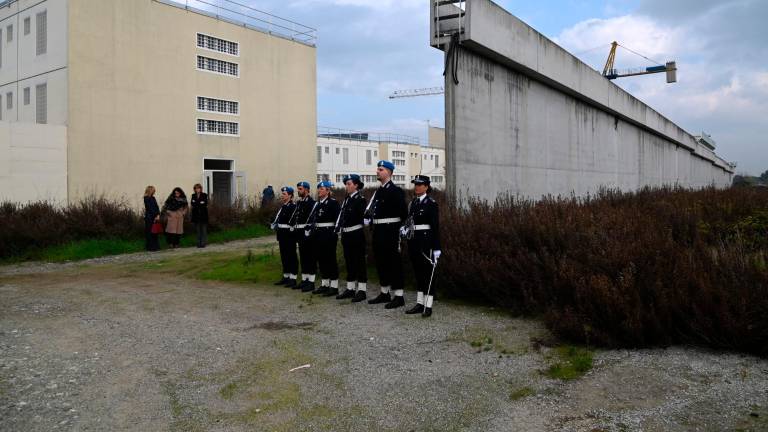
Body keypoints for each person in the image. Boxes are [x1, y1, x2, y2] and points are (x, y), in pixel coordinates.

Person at [365, 160, 408, 309]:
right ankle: (384, 293)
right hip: (378, 231)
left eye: (381, 169)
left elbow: (403, 213)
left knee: (394, 263)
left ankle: (399, 295)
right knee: (381, 262)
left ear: (389, 172)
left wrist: (398, 229)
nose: (377, 171)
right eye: (378, 169)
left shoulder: (395, 191)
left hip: (391, 231)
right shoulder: (379, 191)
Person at [403, 175, 442, 318]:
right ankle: (420, 303)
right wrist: (405, 229)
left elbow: (435, 227)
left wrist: (437, 247)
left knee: (427, 274)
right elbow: (410, 221)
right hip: (414, 241)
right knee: (418, 274)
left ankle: (428, 305)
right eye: (416, 184)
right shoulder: (413, 203)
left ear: (426, 187)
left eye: (420, 185)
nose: (417, 187)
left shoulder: (431, 203)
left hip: (426, 242)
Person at [335, 174, 368, 302]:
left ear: (356, 185)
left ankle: (362, 290)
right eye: (346, 184)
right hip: (346, 235)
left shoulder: (360, 199)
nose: (347, 186)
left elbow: (361, 218)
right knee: (349, 262)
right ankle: (350, 289)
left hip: (356, 234)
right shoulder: (346, 200)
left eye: (349, 184)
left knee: (359, 262)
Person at [307, 181, 341, 297]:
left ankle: (334, 286)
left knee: (330, 259)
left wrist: (334, 234)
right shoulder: (317, 204)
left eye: (322, 188)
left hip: (328, 234)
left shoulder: (333, 203)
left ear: (328, 190)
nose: (319, 190)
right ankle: (325, 284)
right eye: (318, 188)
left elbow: (338, 219)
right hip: (318, 235)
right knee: (321, 259)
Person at [292, 181, 317, 292]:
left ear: (307, 190)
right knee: (303, 257)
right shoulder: (299, 203)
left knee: (310, 257)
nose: (298, 191)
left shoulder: (311, 202)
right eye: (298, 189)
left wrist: (309, 231)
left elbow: (312, 219)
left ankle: (311, 282)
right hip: (299, 232)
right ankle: (304, 280)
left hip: (307, 233)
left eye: (301, 189)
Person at [272, 186, 299, 288]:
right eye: (282, 194)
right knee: (284, 256)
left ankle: (293, 278)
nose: (282, 196)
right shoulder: (283, 206)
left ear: (290, 195)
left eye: (284, 194)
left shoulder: (293, 207)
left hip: (289, 234)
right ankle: (286, 276)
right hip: (282, 234)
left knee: (291, 255)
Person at [190, 184, 209, 248]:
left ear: (201, 189)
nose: (197, 189)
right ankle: (198, 243)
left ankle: (203, 243)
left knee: (203, 230)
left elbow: (205, 203)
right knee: (198, 230)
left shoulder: (204, 195)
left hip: (203, 215)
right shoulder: (193, 195)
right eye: (196, 188)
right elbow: (192, 204)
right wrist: (200, 203)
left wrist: (197, 203)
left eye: (198, 188)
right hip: (196, 215)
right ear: (194, 189)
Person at [143, 186, 161, 252]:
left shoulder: (153, 198)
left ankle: (156, 246)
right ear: (149, 190)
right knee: (150, 232)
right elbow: (149, 208)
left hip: (155, 217)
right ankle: (150, 247)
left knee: (155, 232)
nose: (154, 191)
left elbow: (156, 207)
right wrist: (155, 216)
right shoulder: (146, 198)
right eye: (153, 190)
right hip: (149, 217)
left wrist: (158, 214)